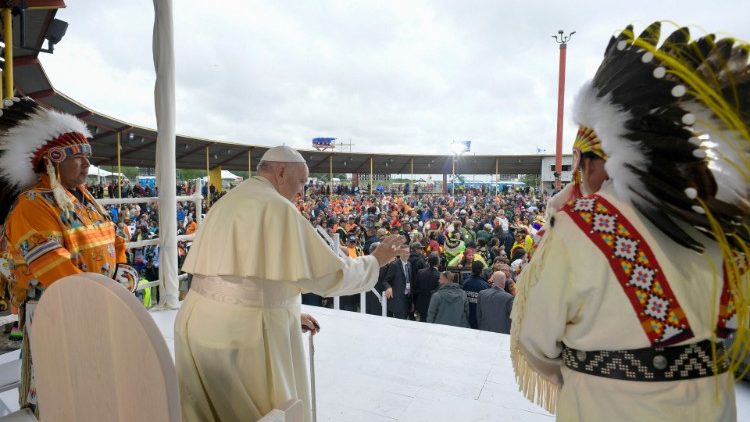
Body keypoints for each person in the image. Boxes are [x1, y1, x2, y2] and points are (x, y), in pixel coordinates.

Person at [511, 23, 749, 421]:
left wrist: (590, 374)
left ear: (593, 162)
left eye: (581, 162)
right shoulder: (719, 225)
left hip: (607, 407)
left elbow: (536, 341)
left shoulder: (579, 226)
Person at [175, 145, 407, 422]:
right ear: (281, 172)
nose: (302, 191)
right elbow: (328, 276)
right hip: (240, 334)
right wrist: (375, 261)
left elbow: (240, 281)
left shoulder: (227, 200)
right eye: (301, 182)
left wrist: (284, 313)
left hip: (197, 321)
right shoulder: (277, 206)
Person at [0, 98, 132, 413]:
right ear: (52, 160)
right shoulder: (33, 204)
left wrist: (125, 274)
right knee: (59, 390)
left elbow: (116, 241)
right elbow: (55, 270)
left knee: (95, 387)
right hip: (57, 311)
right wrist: (112, 295)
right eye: (77, 157)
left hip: (97, 306)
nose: (87, 164)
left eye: (88, 156)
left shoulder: (85, 199)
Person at [462, 260, 491, 329]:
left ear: (471, 269)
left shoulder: (465, 283)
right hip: (480, 319)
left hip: (467, 317)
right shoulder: (485, 286)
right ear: (482, 271)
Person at [414, 252, 440, 322]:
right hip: (433, 305)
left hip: (421, 304)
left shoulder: (420, 272)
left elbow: (415, 288)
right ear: (438, 262)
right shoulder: (439, 275)